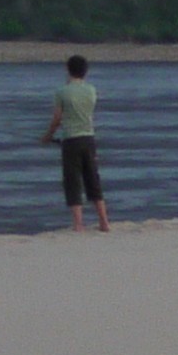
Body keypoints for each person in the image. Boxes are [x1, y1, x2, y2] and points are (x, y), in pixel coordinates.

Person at [41, 53, 109, 232]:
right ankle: (104, 221)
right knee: (93, 179)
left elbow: (57, 119)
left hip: (71, 140)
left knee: (73, 181)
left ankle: (78, 224)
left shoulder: (62, 92)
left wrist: (47, 136)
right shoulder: (92, 90)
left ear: (68, 70)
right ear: (85, 72)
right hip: (89, 139)